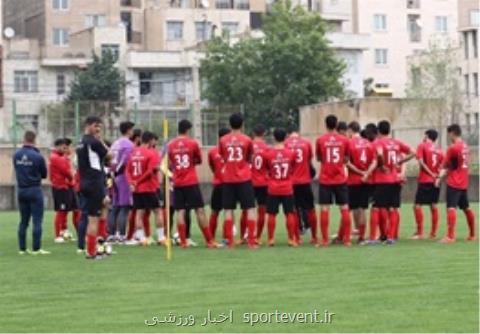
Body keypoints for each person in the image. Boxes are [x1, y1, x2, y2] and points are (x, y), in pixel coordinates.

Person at [167, 120, 218, 248]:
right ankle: (209, 240)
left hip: (177, 182)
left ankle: (183, 242)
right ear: (188, 130)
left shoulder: (171, 145)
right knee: (199, 210)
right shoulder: (192, 143)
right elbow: (199, 160)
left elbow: (170, 162)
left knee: (180, 211)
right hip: (190, 181)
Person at [370, 120, 415, 245]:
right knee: (393, 208)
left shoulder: (377, 142)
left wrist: (382, 164)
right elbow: (413, 153)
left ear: (378, 131)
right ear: (389, 130)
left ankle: (373, 238)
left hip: (382, 180)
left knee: (376, 207)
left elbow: (379, 154)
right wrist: (400, 162)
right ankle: (391, 237)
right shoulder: (396, 143)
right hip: (395, 179)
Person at [219, 113, 257, 249]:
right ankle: (251, 241)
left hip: (228, 179)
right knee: (250, 209)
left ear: (230, 124)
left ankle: (230, 242)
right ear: (242, 124)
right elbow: (249, 158)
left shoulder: (223, 140)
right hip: (244, 178)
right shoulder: (247, 140)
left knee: (228, 210)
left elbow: (223, 156)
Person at [76, 116, 111, 259]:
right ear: (89, 126)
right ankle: (91, 252)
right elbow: (110, 156)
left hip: (87, 182)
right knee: (93, 218)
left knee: (105, 205)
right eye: (96, 126)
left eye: (100, 127)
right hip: (94, 183)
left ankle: (100, 244)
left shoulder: (80, 142)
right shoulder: (93, 142)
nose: (98, 130)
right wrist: (100, 139)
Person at [315, 115, 351, 247]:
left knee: (325, 208)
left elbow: (319, 158)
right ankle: (347, 240)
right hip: (340, 178)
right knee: (345, 208)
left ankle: (324, 240)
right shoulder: (344, 140)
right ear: (336, 125)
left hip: (325, 179)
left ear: (325, 125)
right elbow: (346, 159)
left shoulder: (320, 140)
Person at [436, 124, 476, 243]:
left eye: (448, 134)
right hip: (463, 182)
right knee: (466, 208)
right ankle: (473, 235)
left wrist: (438, 178)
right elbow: (457, 164)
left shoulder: (452, 148)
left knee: (451, 208)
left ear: (452, 133)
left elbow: (445, 166)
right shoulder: (465, 146)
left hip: (454, 182)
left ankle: (450, 236)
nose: (448, 136)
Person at [13, 131, 49, 255]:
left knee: (23, 221)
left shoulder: (16, 155)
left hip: (21, 190)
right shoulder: (37, 156)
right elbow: (44, 174)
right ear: (34, 140)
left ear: (24, 138)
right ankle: (36, 248)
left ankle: (22, 249)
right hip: (34, 189)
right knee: (37, 220)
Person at [126, 131, 165, 245]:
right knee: (157, 211)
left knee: (139, 212)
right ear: (151, 140)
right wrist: (137, 181)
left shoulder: (133, 153)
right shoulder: (151, 153)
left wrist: (131, 183)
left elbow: (127, 170)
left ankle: (142, 239)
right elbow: (150, 171)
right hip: (149, 187)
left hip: (136, 189)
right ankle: (161, 237)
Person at [264, 128, 297, 247]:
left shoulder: (268, 154)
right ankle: (291, 239)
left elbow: (267, 169)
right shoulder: (291, 153)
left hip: (273, 187)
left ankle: (271, 239)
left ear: (273, 137)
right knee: (289, 213)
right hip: (287, 187)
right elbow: (293, 168)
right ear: (285, 138)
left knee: (272, 214)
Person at [285, 125, 317, 244]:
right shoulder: (306, 143)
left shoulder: (286, 144)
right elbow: (308, 160)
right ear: (298, 132)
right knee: (310, 209)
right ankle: (314, 237)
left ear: (289, 134)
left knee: (294, 210)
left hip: (291, 182)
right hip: (305, 181)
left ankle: (296, 238)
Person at [345, 121, 376, 244]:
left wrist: (359, 172)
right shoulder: (369, 143)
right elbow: (374, 162)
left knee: (354, 207)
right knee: (363, 208)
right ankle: (362, 236)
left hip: (353, 180)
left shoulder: (349, 143)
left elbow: (347, 162)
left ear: (351, 130)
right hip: (366, 180)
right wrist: (367, 173)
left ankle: (358, 231)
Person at [411, 129, 444, 240]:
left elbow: (421, 161)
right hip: (435, 181)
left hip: (425, 180)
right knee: (433, 205)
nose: (423, 137)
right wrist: (437, 176)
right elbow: (442, 167)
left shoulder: (422, 145)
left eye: (424, 135)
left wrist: (430, 173)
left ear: (427, 136)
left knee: (417, 206)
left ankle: (420, 233)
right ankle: (433, 233)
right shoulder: (439, 150)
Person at [108, 121, 135, 242]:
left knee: (115, 206)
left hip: (114, 175)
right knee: (124, 206)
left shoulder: (115, 143)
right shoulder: (128, 144)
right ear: (129, 130)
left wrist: (112, 172)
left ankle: (112, 233)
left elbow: (109, 159)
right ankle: (122, 235)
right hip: (123, 176)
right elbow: (126, 161)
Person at [49, 138, 75, 243]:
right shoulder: (57, 158)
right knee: (61, 210)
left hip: (64, 186)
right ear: (58, 146)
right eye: (63, 147)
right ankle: (57, 235)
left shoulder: (59, 157)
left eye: (66, 147)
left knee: (64, 211)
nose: (65, 149)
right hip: (60, 187)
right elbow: (67, 172)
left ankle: (63, 232)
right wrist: (71, 179)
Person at [208, 127, 230, 239]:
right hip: (229, 184)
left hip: (217, 184)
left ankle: (211, 238)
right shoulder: (231, 150)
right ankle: (226, 237)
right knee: (228, 211)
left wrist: (217, 174)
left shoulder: (212, 151)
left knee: (214, 212)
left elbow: (212, 167)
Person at [251, 124, 269, 243]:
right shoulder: (267, 148)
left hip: (249, 182)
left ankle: (245, 236)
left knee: (247, 209)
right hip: (263, 182)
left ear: (253, 133)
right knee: (262, 210)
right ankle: (258, 237)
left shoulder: (248, 145)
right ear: (264, 134)